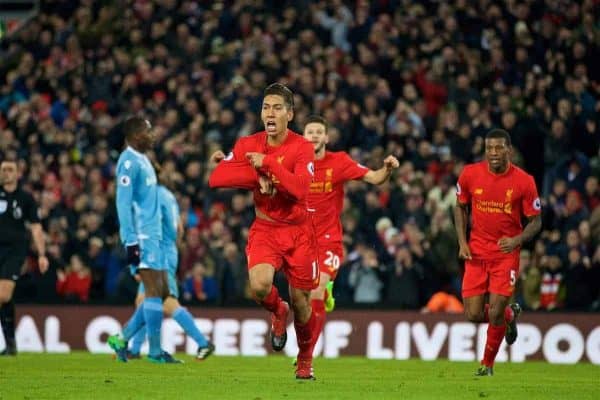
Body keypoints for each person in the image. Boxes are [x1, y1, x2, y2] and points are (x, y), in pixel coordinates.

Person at [209, 83, 319, 380]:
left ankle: (305, 359)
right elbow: (217, 177)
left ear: (290, 114)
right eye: (265, 107)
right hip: (266, 229)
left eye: (277, 107)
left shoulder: (302, 147)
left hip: (299, 233)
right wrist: (257, 176)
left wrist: (269, 165)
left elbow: (299, 190)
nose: (270, 113)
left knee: (303, 304)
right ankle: (277, 310)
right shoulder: (248, 144)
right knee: (258, 287)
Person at [301, 115, 399, 343]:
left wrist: (387, 168)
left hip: (328, 239)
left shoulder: (339, 162)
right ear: (303, 137)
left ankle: (307, 353)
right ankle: (326, 293)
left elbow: (375, 178)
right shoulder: (293, 163)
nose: (314, 135)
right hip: (301, 240)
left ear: (326, 137)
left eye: (318, 132)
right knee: (304, 298)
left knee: (315, 291)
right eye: (310, 132)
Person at [454, 128, 542, 376]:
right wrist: (462, 242)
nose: (492, 153)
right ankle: (509, 316)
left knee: (493, 311)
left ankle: (487, 365)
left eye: (498, 148)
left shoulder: (524, 181)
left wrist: (517, 240)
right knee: (472, 314)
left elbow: (536, 221)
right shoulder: (470, 174)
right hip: (476, 253)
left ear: (508, 150)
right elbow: (459, 207)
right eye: (488, 148)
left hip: (505, 254)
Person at [108, 116, 179, 364]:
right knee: (153, 292)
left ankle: (122, 338)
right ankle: (155, 352)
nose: (153, 136)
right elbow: (123, 205)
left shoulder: (144, 160)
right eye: (149, 132)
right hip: (141, 236)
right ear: (136, 135)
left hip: (154, 237)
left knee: (162, 291)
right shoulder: (127, 162)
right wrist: (131, 244)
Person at [128, 170, 215, 360]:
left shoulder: (151, 198)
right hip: (167, 252)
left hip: (157, 255)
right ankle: (134, 349)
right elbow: (180, 229)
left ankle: (202, 342)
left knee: (166, 302)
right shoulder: (169, 197)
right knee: (142, 301)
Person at [0, 157, 49, 356]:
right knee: (5, 297)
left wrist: (42, 255)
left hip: (15, 251)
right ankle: (10, 343)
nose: (5, 173)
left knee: (2, 295)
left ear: (17, 174)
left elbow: (36, 228)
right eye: (3, 169)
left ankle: (10, 342)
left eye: (10, 169)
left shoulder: (26, 198)